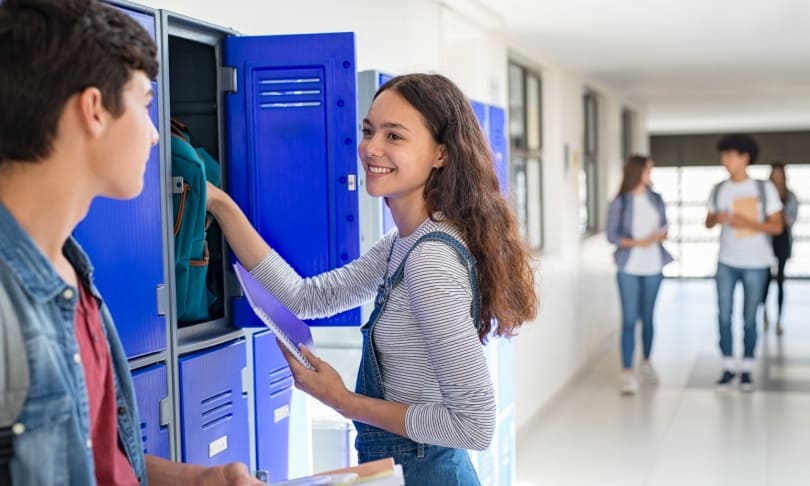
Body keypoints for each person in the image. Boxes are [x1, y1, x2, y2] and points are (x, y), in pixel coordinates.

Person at [206, 73, 538, 485]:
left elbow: (475, 424)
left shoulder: (429, 260)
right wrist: (220, 204)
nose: (370, 148)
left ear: (441, 154)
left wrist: (343, 401)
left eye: (394, 136)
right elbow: (304, 298)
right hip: (402, 468)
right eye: (368, 131)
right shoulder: (402, 244)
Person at [0, 1, 263, 484]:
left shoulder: (71, 271)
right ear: (94, 110)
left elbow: (93, 459)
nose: (157, 135)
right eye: (145, 104)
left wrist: (200, 481)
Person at [705, 134, 783, 393]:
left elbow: (777, 226)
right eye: (723, 155)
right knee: (723, 315)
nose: (724, 161)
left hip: (756, 263)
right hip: (726, 261)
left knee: (750, 318)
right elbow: (708, 222)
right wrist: (716, 219)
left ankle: (747, 368)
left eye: (729, 155)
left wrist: (746, 222)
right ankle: (728, 366)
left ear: (744, 158)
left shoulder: (763, 189)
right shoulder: (719, 189)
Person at [606, 155, 672, 395]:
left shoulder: (656, 199)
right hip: (629, 268)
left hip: (654, 267)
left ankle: (646, 362)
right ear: (637, 171)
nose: (650, 174)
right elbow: (611, 236)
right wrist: (641, 242)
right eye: (647, 170)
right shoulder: (620, 203)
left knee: (649, 318)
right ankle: (627, 371)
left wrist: (659, 236)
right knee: (629, 320)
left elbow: (665, 227)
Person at [761, 162, 799, 336]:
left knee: (781, 281)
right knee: (765, 281)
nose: (777, 178)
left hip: (782, 241)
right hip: (766, 242)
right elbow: (762, 220)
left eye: (780, 175)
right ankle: (764, 315)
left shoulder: (791, 196)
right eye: (774, 175)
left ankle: (779, 320)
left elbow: (790, 219)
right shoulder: (764, 196)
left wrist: (777, 214)